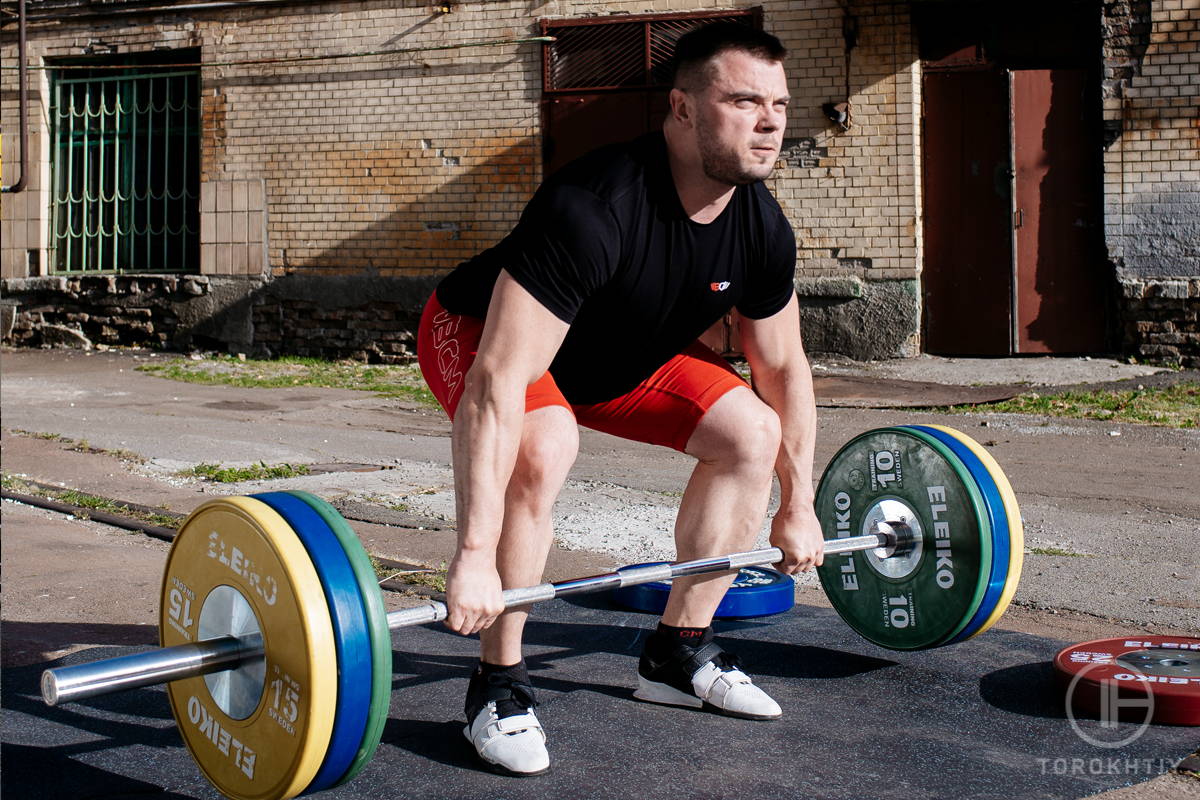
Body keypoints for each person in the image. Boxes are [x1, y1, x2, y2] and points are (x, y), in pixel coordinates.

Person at [416, 21, 824, 776]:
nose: (768, 122)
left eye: (779, 103)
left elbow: (785, 369)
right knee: (545, 441)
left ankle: (678, 652)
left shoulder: (762, 225)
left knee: (751, 433)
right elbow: (499, 383)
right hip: (480, 336)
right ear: (682, 109)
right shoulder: (594, 205)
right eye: (743, 101)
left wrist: (797, 500)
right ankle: (497, 681)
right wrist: (473, 554)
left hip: (618, 357)